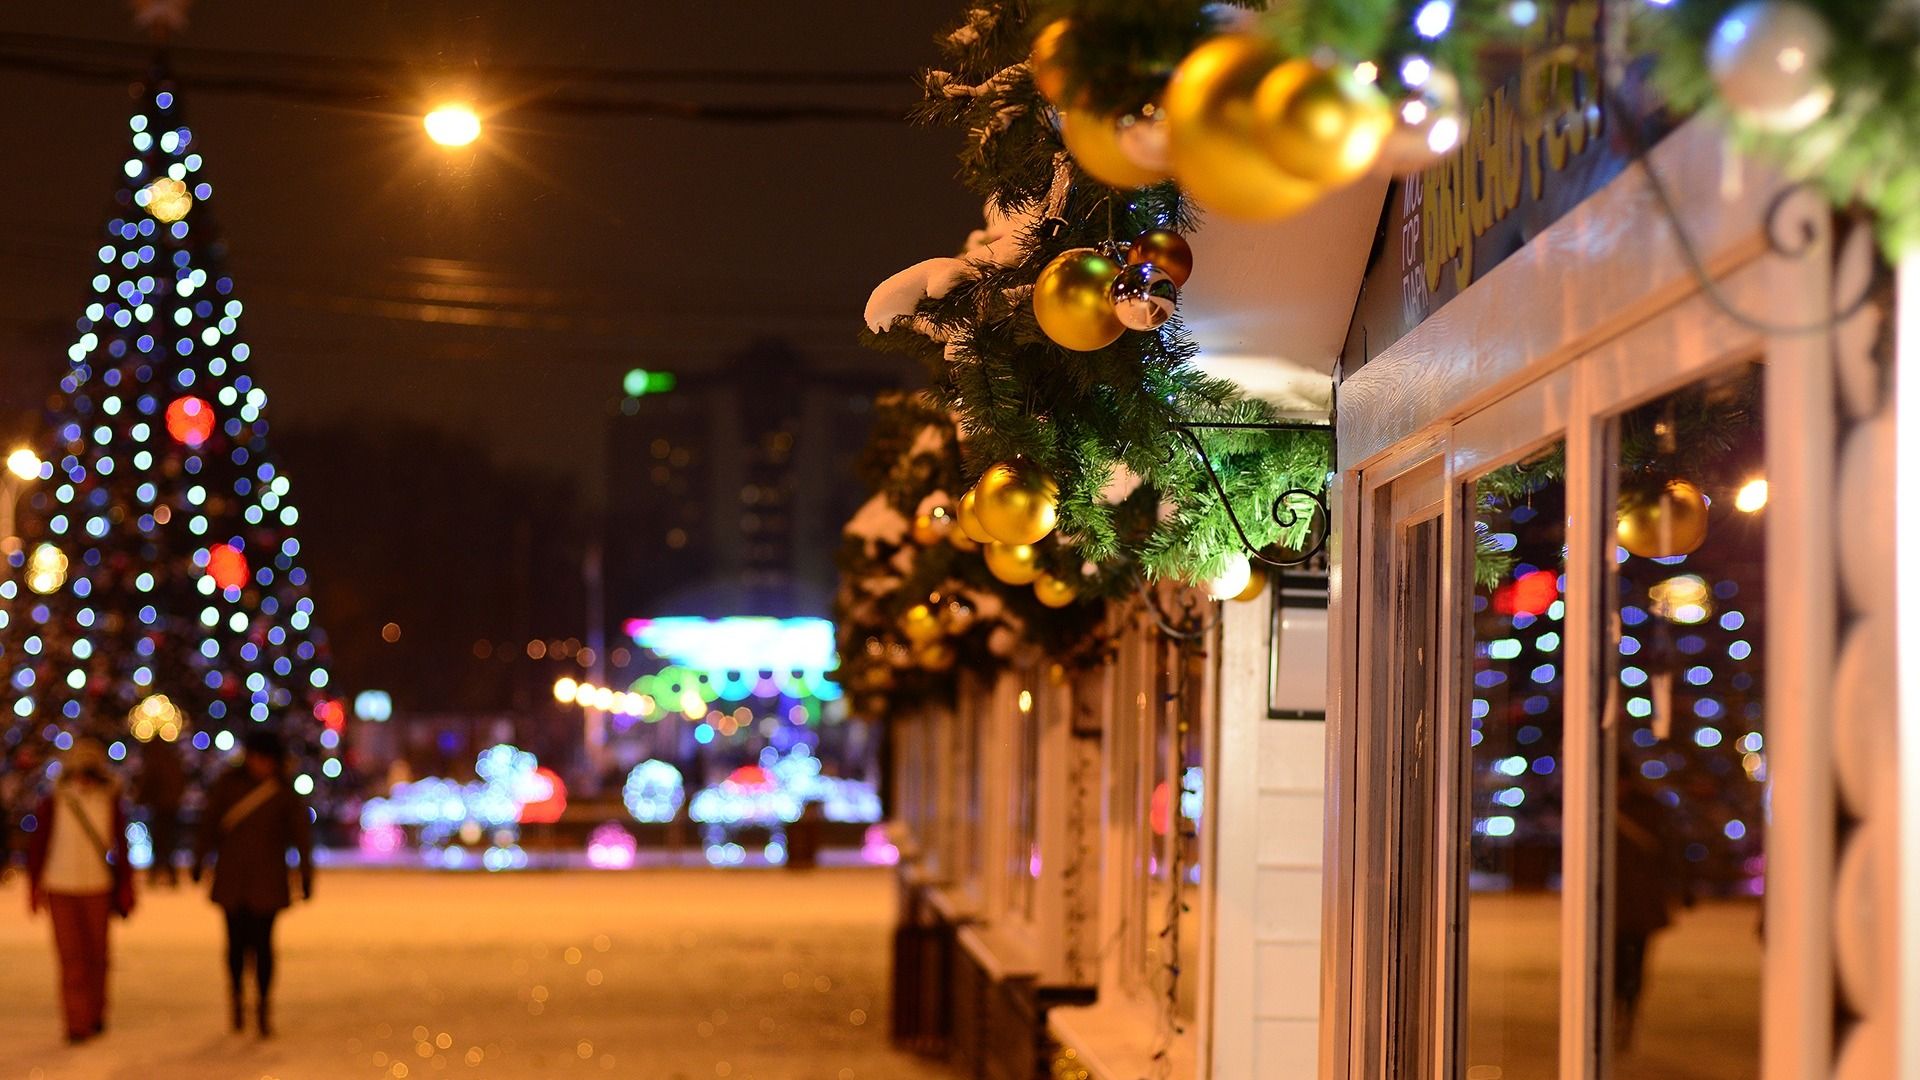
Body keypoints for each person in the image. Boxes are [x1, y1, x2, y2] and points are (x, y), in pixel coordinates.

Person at [193, 730, 313, 1038]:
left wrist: (306, 874)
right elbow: (209, 824)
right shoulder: (228, 786)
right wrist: (199, 859)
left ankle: (261, 1004)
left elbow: (301, 835)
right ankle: (236, 997)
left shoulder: (283, 792)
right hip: (234, 878)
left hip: (267, 881)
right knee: (235, 946)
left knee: (263, 946)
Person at [25, 738, 136, 1044]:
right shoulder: (55, 800)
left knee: (97, 956)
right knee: (71, 959)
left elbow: (121, 847)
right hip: (60, 885)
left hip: (97, 886)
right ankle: (77, 1021)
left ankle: (96, 1012)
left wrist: (126, 886)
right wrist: (34, 885)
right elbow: (39, 845)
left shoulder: (109, 800)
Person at [135, 738, 187, 886]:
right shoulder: (173, 759)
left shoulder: (155, 761)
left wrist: (139, 800)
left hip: (160, 807)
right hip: (172, 807)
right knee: (168, 841)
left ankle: (158, 874)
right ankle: (170, 874)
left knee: (160, 841)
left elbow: (147, 783)